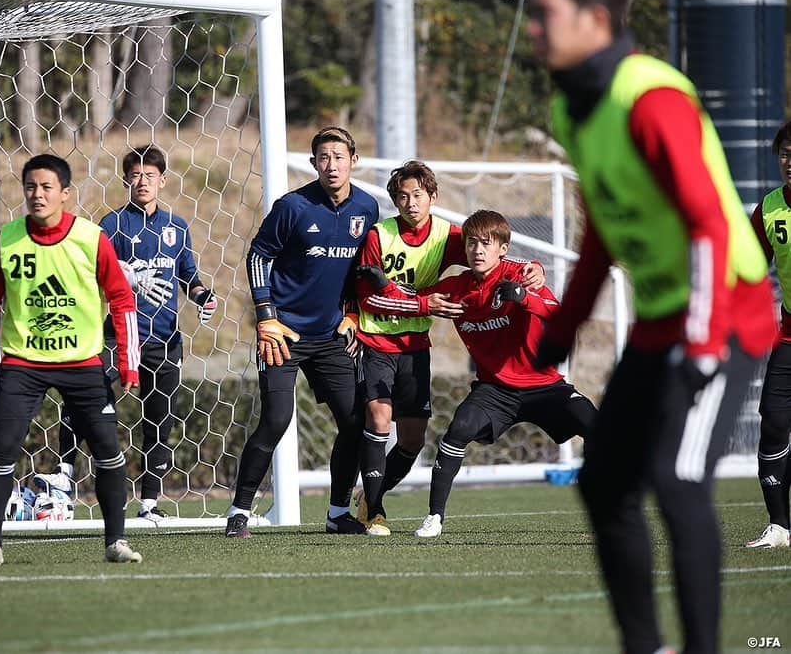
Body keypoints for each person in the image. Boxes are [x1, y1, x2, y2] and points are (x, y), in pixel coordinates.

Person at [526, 0, 777, 652]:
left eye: (545, 16)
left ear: (596, 19)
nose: (532, 30)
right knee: (604, 480)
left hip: (725, 313)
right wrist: (566, 320)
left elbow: (707, 228)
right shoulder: (571, 106)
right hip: (665, 318)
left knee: (677, 477)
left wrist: (701, 341)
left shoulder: (653, 96)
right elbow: (603, 227)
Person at [358, 209, 595, 537]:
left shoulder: (521, 275)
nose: (478, 250)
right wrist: (385, 285)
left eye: (487, 243)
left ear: (503, 248)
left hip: (544, 384)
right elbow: (416, 298)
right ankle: (434, 518)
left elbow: (556, 311)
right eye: (471, 243)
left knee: (595, 425)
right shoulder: (457, 287)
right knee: (458, 430)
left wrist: (524, 298)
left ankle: (625, 495)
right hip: (495, 389)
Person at [0, 154, 143, 565]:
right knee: (2, 449)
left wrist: (128, 362)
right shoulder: (6, 239)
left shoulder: (90, 237)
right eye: (30, 187)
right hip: (22, 363)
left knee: (107, 450)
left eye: (46, 187)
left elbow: (121, 298)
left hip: (82, 362)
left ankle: (115, 542)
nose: (37, 194)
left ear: (64, 193)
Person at [353, 161, 544, 535]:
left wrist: (532, 266)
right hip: (376, 340)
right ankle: (374, 512)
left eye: (418, 196)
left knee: (411, 441)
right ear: (394, 200)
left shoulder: (447, 236)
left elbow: (494, 254)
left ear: (433, 197)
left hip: (415, 347)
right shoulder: (379, 235)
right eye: (403, 197)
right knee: (377, 419)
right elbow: (368, 300)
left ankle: (368, 495)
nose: (411, 203)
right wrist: (425, 305)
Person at [33, 145, 217, 521]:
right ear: (126, 180)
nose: (142, 182)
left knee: (158, 421)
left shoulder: (176, 227)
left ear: (163, 181)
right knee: (84, 400)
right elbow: (89, 271)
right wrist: (125, 275)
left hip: (165, 340)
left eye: (150, 175)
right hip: (116, 336)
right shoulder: (112, 225)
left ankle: (149, 502)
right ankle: (64, 476)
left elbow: (188, 276)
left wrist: (203, 297)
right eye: (135, 175)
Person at [224, 126, 379, 538]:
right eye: (323, 157)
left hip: (331, 336)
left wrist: (351, 313)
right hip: (283, 334)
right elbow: (259, 256)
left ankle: (336, 514)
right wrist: (266, 317)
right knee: (276, 420)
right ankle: (239, 512)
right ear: (313, 164)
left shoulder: (368, 208)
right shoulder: (292, 206)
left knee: (354, 421)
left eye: (339, 156)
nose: (332, 164)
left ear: (353, 160)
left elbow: (361, 271)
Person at [746, 120, 791, 549]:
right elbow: (747, 268)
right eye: (785, 153)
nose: (790, 161)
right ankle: (779, 526)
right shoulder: (769, 208)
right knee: (774, 421)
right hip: (790, 337)